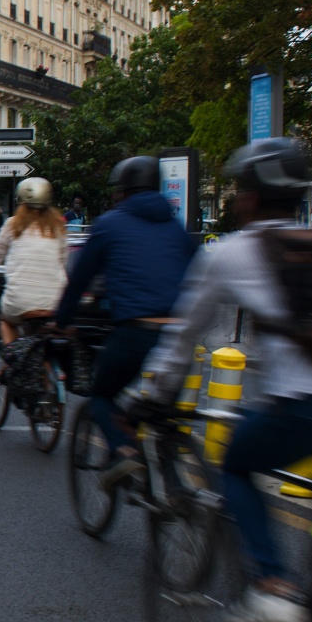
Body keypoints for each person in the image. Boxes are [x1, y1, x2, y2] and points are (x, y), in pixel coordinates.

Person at [146, 138, 312, 622]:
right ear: (301, 197)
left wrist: (156, 397)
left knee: (237, 466)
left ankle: (271, 586)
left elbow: (182, 340)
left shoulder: (232, 253)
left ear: (247, 198)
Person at [52, 156, 197, 483]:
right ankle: (178, 494)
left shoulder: (109, 224)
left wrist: (63, 318)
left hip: (136, 331)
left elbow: (80, 279)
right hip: (181, 336)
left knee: (103, 394)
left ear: (122, 191)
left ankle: (125, 452)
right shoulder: (175, 227)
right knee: (159, 411)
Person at [0, 178, 67, 344]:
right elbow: (63, 262)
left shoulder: (13, 224)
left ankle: (11, 362)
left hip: (20, 300)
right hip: (56, 300)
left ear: (20, 202)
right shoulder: (58, 227)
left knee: (7, 321)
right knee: (43, 341)